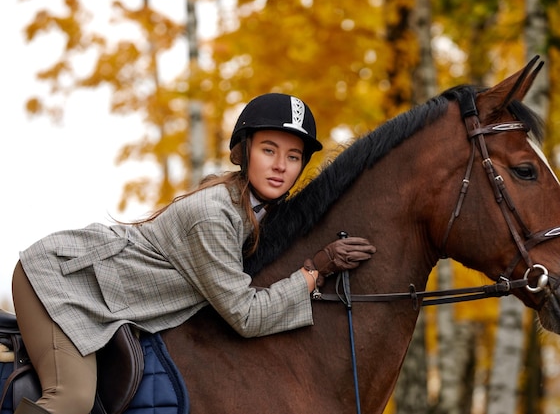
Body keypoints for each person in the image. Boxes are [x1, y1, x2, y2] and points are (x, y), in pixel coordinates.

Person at [11, 93, 377, 414]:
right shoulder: (214, 215)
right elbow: (246, 315)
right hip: (59, 282)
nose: (281, 166)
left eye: (293, 156)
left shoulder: (258, 210)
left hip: (101, 293)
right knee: (71, 399)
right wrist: (314, 271)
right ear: (244, 151)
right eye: (269, 150)